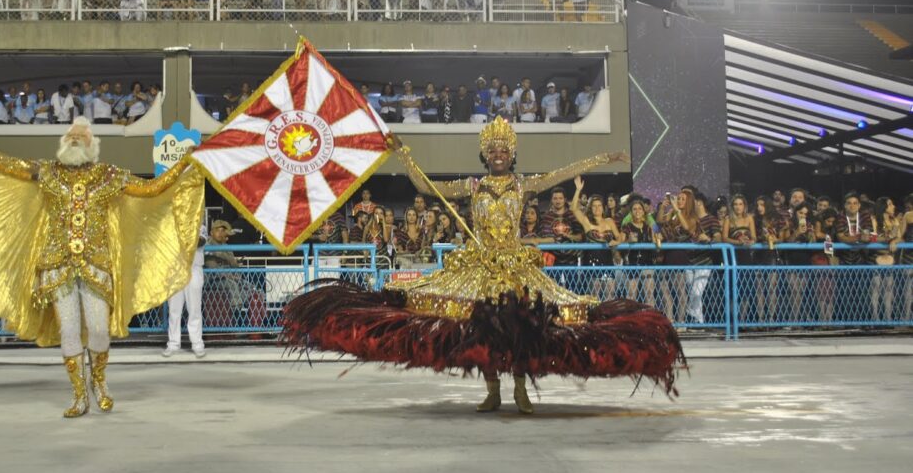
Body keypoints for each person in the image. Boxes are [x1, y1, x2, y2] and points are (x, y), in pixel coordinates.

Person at [281, 118, 681, 414]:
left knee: (524, 324)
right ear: (485, 155)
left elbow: (563, 173)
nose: (498, 155)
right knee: (484, 327)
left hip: (516, 267)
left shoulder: (524, 184)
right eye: (492, 150)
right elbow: (424, 188)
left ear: (512, 154)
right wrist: (401, 153)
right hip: (479, 266)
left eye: (504, 149)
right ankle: (492, 390)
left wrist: (604, 158)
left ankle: (520, 389)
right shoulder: (471, 187)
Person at [0, 118, 205, 417]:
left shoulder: (108, 175)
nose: (75, 137)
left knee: (98, 329)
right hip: (56, 265)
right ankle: (79, 395)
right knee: (69, 330)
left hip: (97, 265)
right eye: (70, 134)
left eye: (81, 135)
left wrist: (186, 162)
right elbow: (2, 164)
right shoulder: (46, 171)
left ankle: (99, 383)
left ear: (92, 143)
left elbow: (152, 189)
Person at [162, 222, 208, 358]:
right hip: (174, 269)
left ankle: (197, 344)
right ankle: (173, 343)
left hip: (194, 269)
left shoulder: (199, 223)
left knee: (194, 309)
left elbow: (201, 241)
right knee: (174, 310)